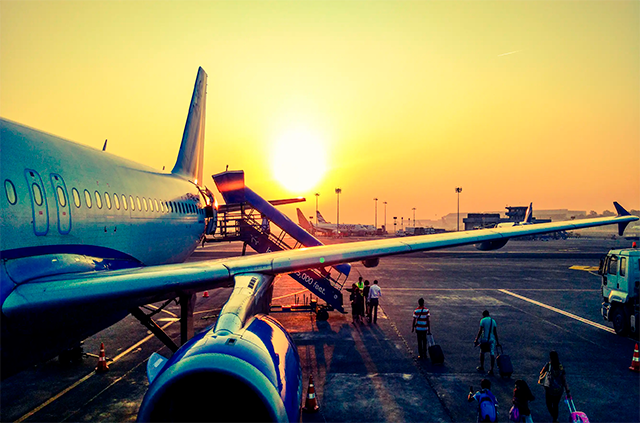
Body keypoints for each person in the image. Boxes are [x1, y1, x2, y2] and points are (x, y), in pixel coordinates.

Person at [538, 351, 570, 423]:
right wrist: (567, 391)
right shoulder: (560, 366)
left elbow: (541, 373)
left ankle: (554, 417)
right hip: (559, 390)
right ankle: (555, 419)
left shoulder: (548, 365)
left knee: (549, 404)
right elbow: (564, 379)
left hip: (550, 389)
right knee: (556, 405)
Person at [474, 310, 500, 376]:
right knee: (492, 353)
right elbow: (495, 332)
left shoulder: (482, 320)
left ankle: (482, 366)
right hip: (492, 339)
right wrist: (497, 342)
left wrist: (476, 339)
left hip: (484, 339)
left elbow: (480, 331)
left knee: (482, 352)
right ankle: (491, 369)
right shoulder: (493, 321)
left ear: (483, 315)